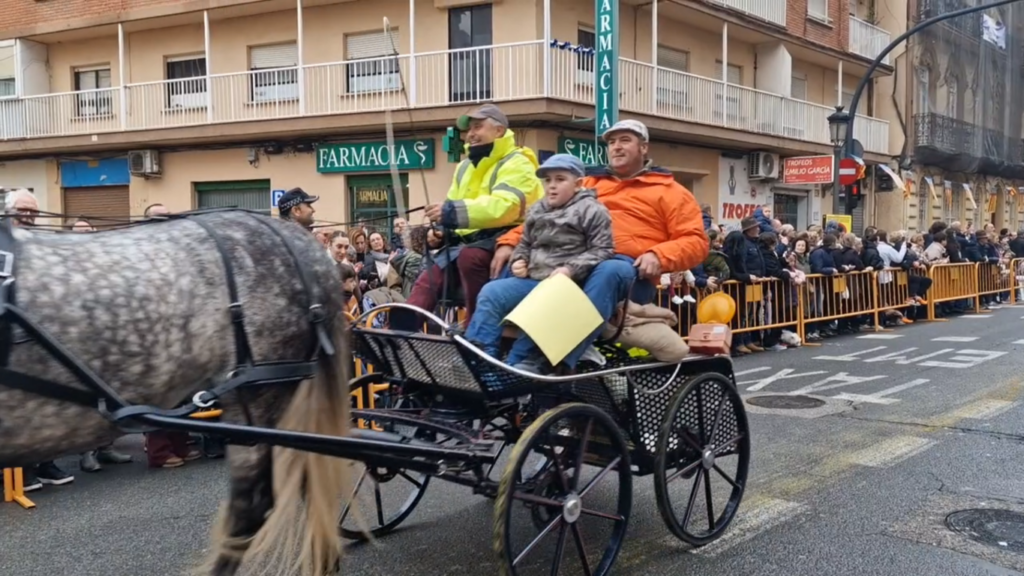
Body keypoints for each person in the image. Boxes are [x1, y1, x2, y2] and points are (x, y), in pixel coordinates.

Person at [491, 119, 707, 370]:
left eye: (625, 140)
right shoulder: (590, 184)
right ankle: (492, 349)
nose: (616, 147)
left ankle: (555, 361)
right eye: (612, 142)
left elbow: (696, 241)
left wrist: (659, 255)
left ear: (644, 148)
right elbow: (543, 219)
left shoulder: (672, 192)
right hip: (577, 262)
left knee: (609, 270)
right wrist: (508, 242)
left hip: (628, 273)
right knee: (514, 261)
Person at [391, 103, 543, 330]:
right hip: (469, 242)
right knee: (430, 273)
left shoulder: (518, 162)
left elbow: (506, 207)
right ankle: (398, 334)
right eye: (469, 129)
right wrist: (441, 232)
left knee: (470, 258)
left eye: (478, 127)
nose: (470, 134)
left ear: (499, 131)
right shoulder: (464, 167)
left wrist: (450, 213)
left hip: (507, 237)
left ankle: (476, 331)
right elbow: (452, 208)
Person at [465, 154, 614, 372]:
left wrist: (569, 269)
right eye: (548, 180)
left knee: (540, 305)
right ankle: (478, 361)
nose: (552, 186)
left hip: (566, 286)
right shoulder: (537, 209)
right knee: (491, 292)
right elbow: (525, 243)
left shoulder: (593, 210)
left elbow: (603, 250)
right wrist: (519, 260)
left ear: (578, 184)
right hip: (534, 280)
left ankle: (513, 367)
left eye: (560, 179)